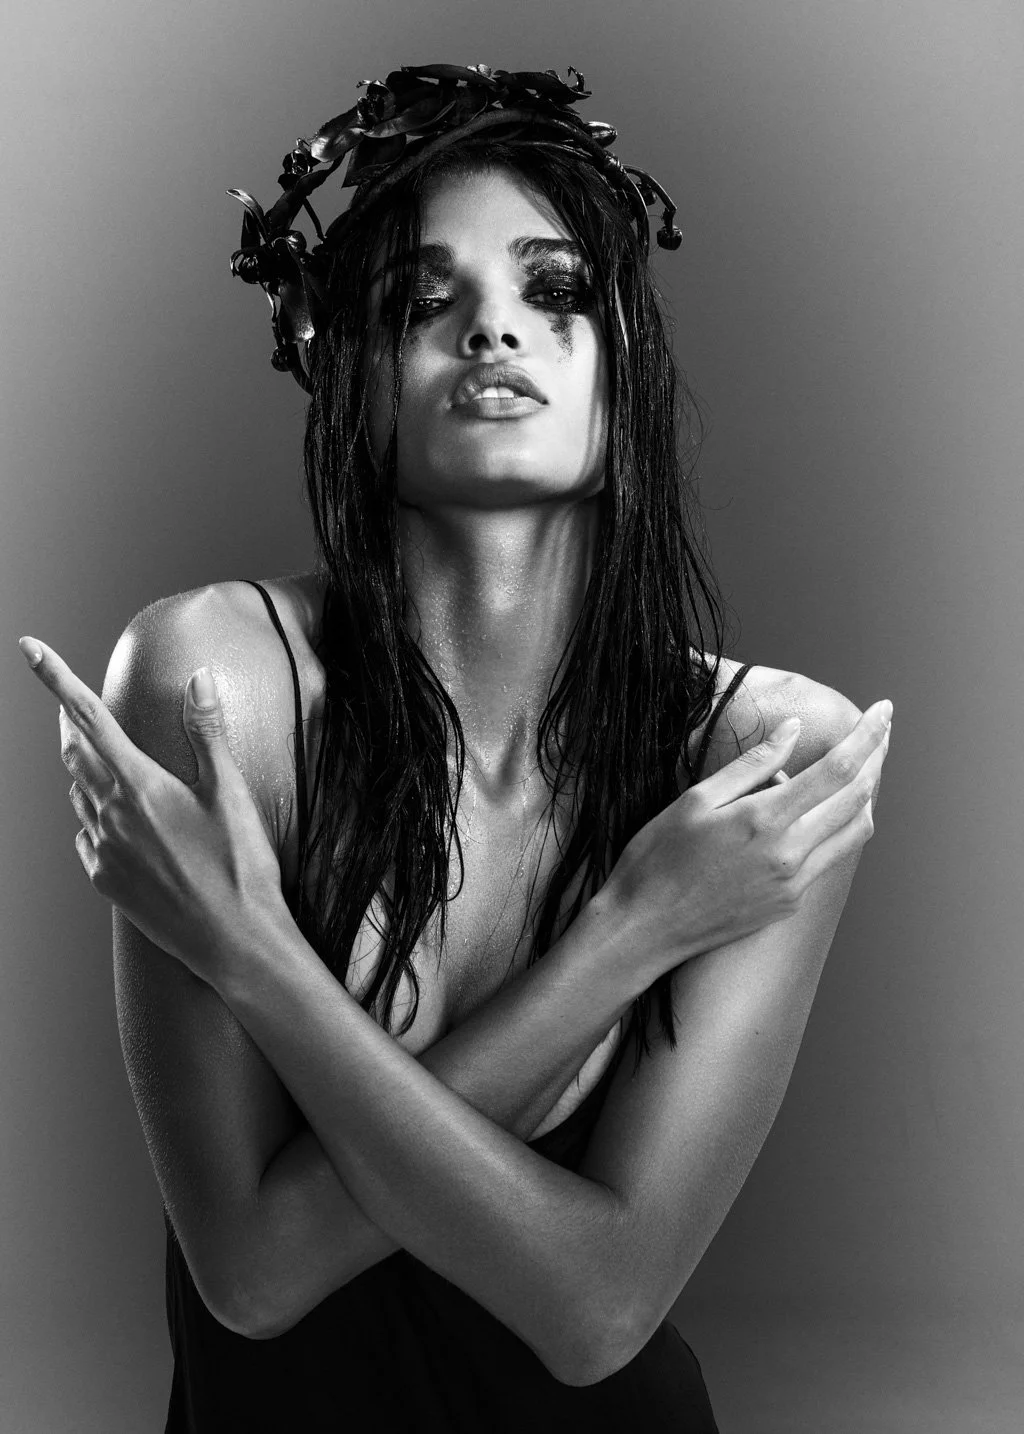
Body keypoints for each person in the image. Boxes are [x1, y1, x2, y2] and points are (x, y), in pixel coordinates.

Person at [21, 65, 891, 1432]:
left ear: (624, 375)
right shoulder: (214, 687)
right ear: (350, 373)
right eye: (425, 303)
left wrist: (251, 951)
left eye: (555, 291)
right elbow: (251, 1275)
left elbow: (600, 1312)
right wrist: (635, 932)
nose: (493, 328)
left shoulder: (761, 754)